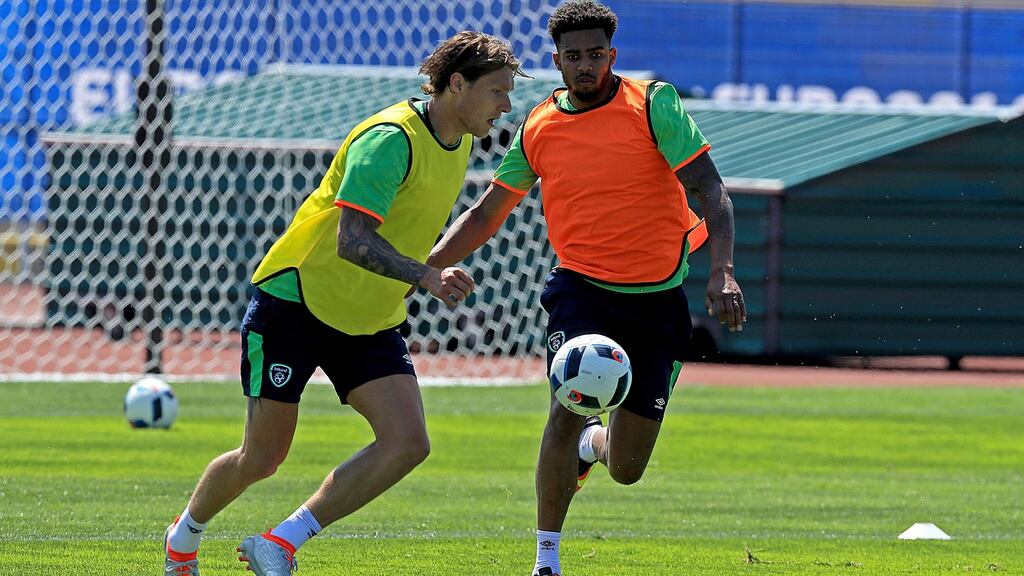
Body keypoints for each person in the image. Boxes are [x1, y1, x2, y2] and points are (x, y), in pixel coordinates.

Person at [162, 31, 524, 575]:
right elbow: (351, 239)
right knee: (262, 457)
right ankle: (183, 538)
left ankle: (280, 543)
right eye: (497, 91)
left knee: (407, 442)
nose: (506, 105)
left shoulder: (463, 139)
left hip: (369, 316)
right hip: (296, 302)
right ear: (456, 85)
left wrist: (424, 274)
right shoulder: (389, 139)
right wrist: (425, 275)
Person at [425, 3, 746, 574]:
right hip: (582, 293)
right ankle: (546, 560)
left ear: (611, 56)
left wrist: (722, 271)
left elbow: (711, 191)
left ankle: (592, 446)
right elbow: (485, 215)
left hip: (658, 300)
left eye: (595, 54)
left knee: (625, 467)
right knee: (563, 410)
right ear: (556, 61)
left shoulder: (654, 105)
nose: (585, 66)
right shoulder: (539, 124)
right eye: (573, 56)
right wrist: (421, 270)